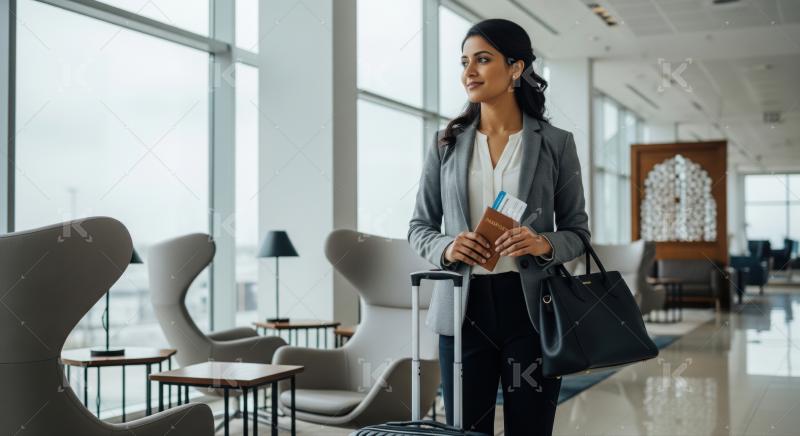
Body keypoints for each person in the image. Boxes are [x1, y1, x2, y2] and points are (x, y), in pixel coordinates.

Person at [407, 18, 590, 436]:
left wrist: (542, 242)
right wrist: (448, 247)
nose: (469, 72)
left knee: (530, 428)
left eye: (483, 60)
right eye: (464, 61)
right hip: (462, 309)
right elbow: (419, 226)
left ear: (516, 68)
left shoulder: (555, 143)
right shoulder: (446, 144)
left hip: (532, 311)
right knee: (465, 431)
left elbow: (578, 233)